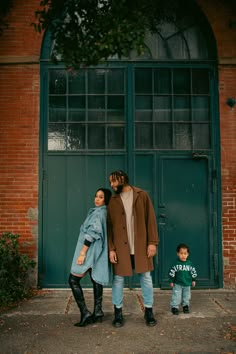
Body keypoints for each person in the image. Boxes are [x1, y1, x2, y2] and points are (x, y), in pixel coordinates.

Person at [107, 170, 159, 327]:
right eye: (110, 182)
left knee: (146, 278)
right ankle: (118, 313)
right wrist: (111, 248)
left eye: (114, 181)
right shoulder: (113, 200)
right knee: (118, 280)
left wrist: (152, 242)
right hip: (121, 248)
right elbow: (109, 226)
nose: (111, 184)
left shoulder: (141, 195)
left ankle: (149, 311)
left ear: (122, 179)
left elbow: (151, 219)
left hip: (141, 245)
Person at [68, 188, 112, 327]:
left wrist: (82, 253)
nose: (97, 199)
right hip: (98, 252)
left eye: (101, 197)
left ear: (106, 199)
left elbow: (92, 234)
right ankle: (98, 312)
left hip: (89, 252)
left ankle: (85, 313)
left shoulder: (98, 214)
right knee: (96, 278)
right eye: (96, 196)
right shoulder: (104, 212)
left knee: (73, 279)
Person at [169, 243, 197, 315]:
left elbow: (193, 272)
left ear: (188, 254)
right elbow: (172, 273)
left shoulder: (190, 264)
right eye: (181, 253)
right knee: (176, 295)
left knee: (187, 296)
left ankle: (185, 306)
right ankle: (174, 307)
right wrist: (171, 281)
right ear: (178, 254)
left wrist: (193, 280)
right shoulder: (175, 263)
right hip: (177, 283)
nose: (183, 255)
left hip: (187, 283)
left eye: (185, 253)